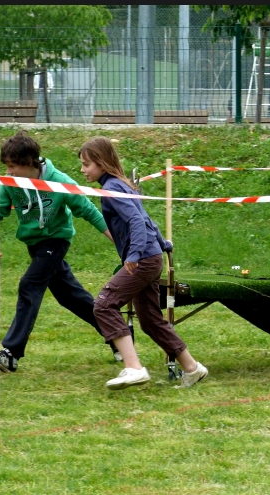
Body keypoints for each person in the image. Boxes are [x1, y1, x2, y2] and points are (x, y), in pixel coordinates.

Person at [0, 130, 120, 373]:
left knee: (29, 285)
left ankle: (11, 353)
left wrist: (121, 245)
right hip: (34, 244)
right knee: (70, 297)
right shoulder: (10, 183)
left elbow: (89, 211)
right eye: (6, 167)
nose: (9, 172)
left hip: (56, 240)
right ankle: (120, 335)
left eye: (13, 166)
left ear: (29, 163)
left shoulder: (59, 181)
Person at [78, 136, 209, 390]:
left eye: (87, 164)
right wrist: (162, 243)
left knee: (104, 304)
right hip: (151, 257)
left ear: (102, 163)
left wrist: (134, 255)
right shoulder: (121, 185)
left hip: (143, 260)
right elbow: (147, 218)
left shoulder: (113, 188)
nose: (83, 170)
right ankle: (192, 368)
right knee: (149, 319)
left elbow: (137, 222)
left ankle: (134, 368)